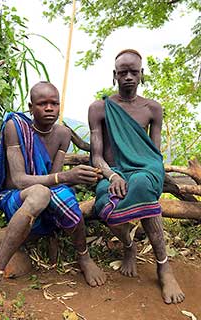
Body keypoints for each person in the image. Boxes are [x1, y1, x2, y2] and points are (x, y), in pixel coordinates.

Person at [0, 81, 106, 308]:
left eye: (54, 103)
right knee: (39, 193)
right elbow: (18, 179)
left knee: (63, 197)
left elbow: (55, 179)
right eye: (42, 103)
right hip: (15, 198)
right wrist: (67, 177)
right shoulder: (15, 127)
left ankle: (84, 257)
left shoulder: (63, 134)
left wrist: (76, 178)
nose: (49, 108)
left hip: (45, 195)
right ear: (30, 107)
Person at [88, 49, 185, 304]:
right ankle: (129, 245)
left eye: (134, 72)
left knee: (141, 184)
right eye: (123, 72)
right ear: (114, 75)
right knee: (105, 203)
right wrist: (111, 177)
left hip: (145, 170)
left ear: (142, 74)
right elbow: (96, 156)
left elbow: (153, 153)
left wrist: (148, 173)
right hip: (113, 172)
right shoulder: (100, 108)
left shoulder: (153, 108)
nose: (128, 77)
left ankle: (164, 267)